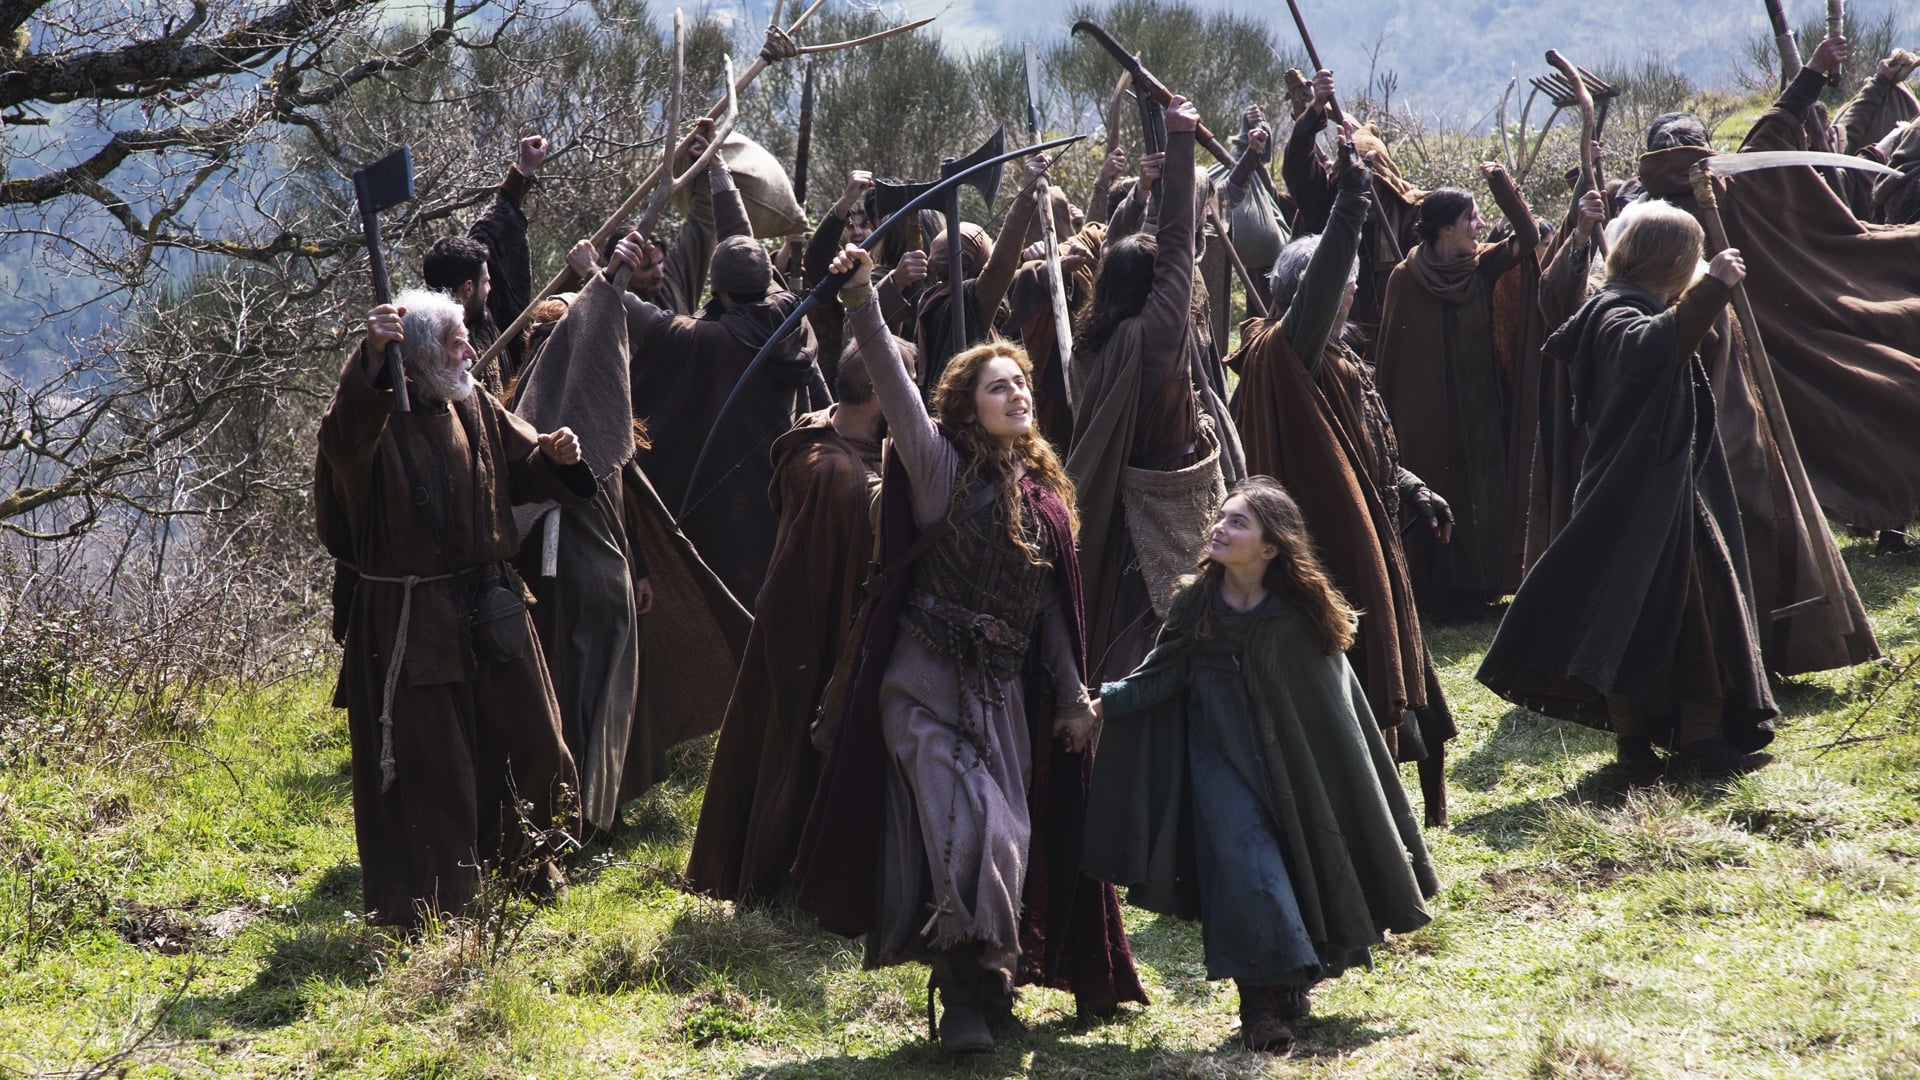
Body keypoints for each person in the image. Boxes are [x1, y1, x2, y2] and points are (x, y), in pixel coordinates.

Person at [793, 241, 1146, 1056]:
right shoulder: (936, 463)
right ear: (966, 405)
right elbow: (893, 385)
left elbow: (1052, 609)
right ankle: (962, 998)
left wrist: (1071, 695)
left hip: (1004, 697)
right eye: (998, 386)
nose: (1017, 393)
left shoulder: (1044, 497)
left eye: (1021, 383)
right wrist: (862, 301)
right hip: (923, 683)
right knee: (969, 832)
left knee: (1008, 838)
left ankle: (991, 984)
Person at [1083, 477, 1438, 1053]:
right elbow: (1163, 671)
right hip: (1220, 764)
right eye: (1221, 517)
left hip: (1296, 767)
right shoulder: (1195, 602)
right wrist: (1101, 705)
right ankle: (1259, 1007)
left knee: (1303, 860)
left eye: (1237, 522)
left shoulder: (1301, 614)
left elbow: (1332, 712)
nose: (1219, 528)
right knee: (1245, 868)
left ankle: (1292, 974)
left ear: (1271, 547)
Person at [314, 289, 589, 927]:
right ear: (414, 357)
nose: (469, 352)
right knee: (434, 771)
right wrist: (370, 356)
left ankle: (524, 868)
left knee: (535, 745)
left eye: (465, 339)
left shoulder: (470, 402)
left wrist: (555, 456)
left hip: (490, 605)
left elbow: (521, 461)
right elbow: (343, 440)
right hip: (411, 621)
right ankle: (439, 907)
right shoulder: (370, 421)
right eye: (454, 342)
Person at [1478, 203, 1777, 777]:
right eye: (1692, 259)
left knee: (1655, 613)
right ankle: (1684, 743)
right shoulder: (1616, 311)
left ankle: (1651, 742)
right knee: (1676, 613)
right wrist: (1713, 288)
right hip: (1636, 498)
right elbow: (1647, 352)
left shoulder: (1630, 305)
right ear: (1672, 261)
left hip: (1654, 493)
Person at [1231, 139, 1456, 826]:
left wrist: (1413, 486)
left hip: (1373, 532)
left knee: (1399, 662)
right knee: (1356, 674)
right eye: (1346, 281)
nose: (1353, 288)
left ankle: (1404, 802)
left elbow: (1368, 446)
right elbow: (1325, 274)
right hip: (1327, 548)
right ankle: (1363, 813)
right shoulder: (1286, 351)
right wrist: (1352, 202)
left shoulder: (1334, 356)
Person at [685, 341, 898, 904]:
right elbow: (852, 560)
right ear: (878, 392)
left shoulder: (819, 433)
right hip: (815, 634)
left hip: (798, 625)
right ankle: (787, 876)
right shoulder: (836, 473)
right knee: (793, 750)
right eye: (905, 378)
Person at [603, 147, 828, 607]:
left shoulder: (709, 340)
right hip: (787, 490)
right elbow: (740, 240)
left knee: (732, 604)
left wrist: (597, 274)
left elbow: (647, 321)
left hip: (731, 507)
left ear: (720, 291)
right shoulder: (790, 313)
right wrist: (718, 169)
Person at [1068, 94, 1229, 687]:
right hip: (1170, 500)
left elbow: (1162, 249)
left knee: (1122, 617)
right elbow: (1179, 244)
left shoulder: (1092, 345)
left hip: (1120, 501)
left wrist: (1150, 192)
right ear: (1152, 289)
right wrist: (1180, 140)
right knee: (1172, 629)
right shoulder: (1156, 338)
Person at [1372, 156, 1545, 621]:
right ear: (1446, 228)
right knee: (1436, 487)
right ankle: (1438, 589)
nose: (1479, 226)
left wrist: (1500, 185)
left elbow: (1529, 238)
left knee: (1484, 493)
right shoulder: (1405, 278)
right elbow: (1393, 356)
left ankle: (1481, 586)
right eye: (1472, 218)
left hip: (1481, 406)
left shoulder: (1480, 265)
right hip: (1427, 409)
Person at [914, 155, 1048, 396]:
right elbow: (1000, 267)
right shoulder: (969, 301)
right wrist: (1025, 196)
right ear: (978, 258)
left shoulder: (934, 300)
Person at [423, 135, 550, 388]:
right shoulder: (436, 353)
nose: (491, 286)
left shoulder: (474, 296)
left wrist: (524, 169)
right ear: (468, 288)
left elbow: (490, 230)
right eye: (486, 281)